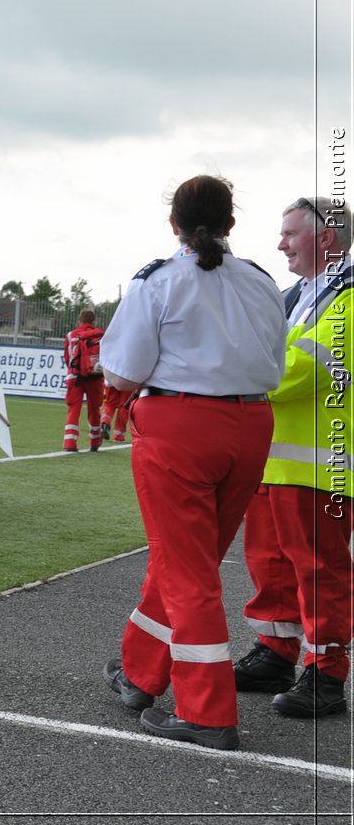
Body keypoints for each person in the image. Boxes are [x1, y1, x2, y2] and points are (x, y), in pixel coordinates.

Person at [99, 175, 285, 750]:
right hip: (250, 424)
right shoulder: (261, 281)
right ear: (231, 224)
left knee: (188, 571)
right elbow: (275, 361)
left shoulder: (157, 280)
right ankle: (141, 673)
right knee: (189, 559)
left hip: (181, 425)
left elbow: (122, 373)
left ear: (173, 224)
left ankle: (205, 711)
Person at [234, 195, 353, 718]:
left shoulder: (346, 292)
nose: (280, 243)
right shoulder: (299, 294)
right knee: (270, 564)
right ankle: (277, 652)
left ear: (324, 237)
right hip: (278, 459)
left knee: (319, 571)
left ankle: (326, 675)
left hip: (321, 463)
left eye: (289, 233)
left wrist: (237, 379)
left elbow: (309, 366)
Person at [62, 309, 106, 452]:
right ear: (93, 321)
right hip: (94, 377)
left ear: (79, 320)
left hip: (75, 377)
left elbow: (68, 358)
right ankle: (95, 441)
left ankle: (69, 443)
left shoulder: (71, 335)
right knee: (94, 409)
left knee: (74, 409)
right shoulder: (101, 335)